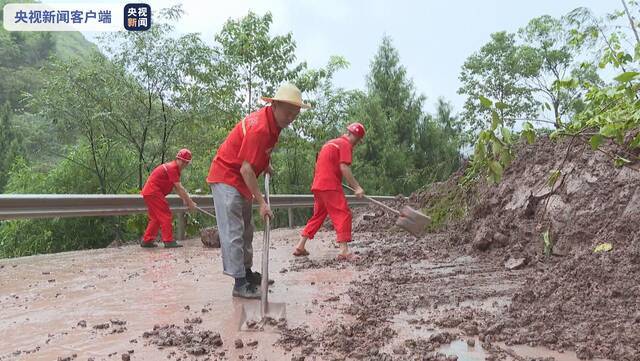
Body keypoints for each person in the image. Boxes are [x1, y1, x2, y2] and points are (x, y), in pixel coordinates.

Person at [207, 83, 310, 299]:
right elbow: (246, 168)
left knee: (247, 230)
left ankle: (246, 272)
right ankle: (239, 284)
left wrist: (265, 163)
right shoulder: (261, 128)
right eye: (288, 112)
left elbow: (258, 153)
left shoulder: (274, 123)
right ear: (275, 105)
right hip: (228, 177)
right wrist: (262, 202)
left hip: (242, 177)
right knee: (234, 232)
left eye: (295, 114)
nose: (291, 117)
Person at [293, 123, 366, 261]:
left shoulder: (330, 143)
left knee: (318, 215)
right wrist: (357, 187)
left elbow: (327, 165)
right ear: (353, 136)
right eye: (357, 140)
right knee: (343, 213)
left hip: (318, 184)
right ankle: (344, 250)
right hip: (329, 185)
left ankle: (300, 246)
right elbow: (344, 167)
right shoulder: (345, 144)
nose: (356, 144)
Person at [140, 148, 197, 248]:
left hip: (149, 192)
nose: (184, 164)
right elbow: (179, 187)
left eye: (186, 163)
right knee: (165, 214)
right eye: (183, 161)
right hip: (153, 192)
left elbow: (176, 188)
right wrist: (190, 202)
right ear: (177, 159)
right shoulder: (172, 168)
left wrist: (185, 200)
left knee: (156, 218)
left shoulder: (174, 169)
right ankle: (168, 241)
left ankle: (147, 240)